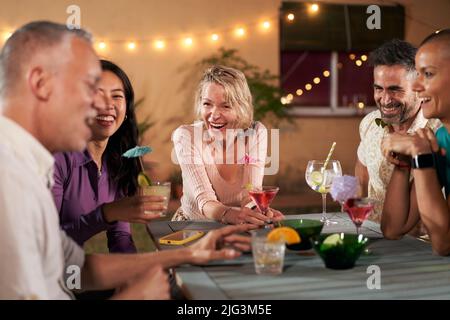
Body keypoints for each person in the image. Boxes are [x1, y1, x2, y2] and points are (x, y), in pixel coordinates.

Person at [0, 21, 251, 300]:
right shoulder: (8, 180)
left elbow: (76, 266)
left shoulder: (30, 166)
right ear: (41, 83)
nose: (99, 105)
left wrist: (190, 253)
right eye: (89, 87)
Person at [52, 59, 158, 253]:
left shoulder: (117, 161)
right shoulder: (57, 159)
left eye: (117, 96)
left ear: (126, 110)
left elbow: (120, 238)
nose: (108, 105)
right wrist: (106, 213)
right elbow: (46, 243)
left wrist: (133, 274)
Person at [172, 65, 284, 226]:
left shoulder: (255, 133)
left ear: (241, 107)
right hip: (192, 225)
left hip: (234, 225)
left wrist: (258, 211)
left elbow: (250, 193)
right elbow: (204, 200)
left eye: (226, 106)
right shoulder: (186, 136)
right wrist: (233, 214)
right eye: (207, 104)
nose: (214, 115)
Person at [355, 39, 441, 223]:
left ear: (418, 87)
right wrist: (356, 214)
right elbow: (362, 171)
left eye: (395, 90)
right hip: (372, 237)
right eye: (379, 89)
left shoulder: (439, 130)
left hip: (422, 246)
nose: (385, 100)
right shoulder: (369, 123)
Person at [381, 29, 450, 256]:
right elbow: (394, 228)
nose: (417, 86)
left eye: (428, 74)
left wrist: (420, 157)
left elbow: (444, 243)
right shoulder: (441, 139)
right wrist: (403, 163)